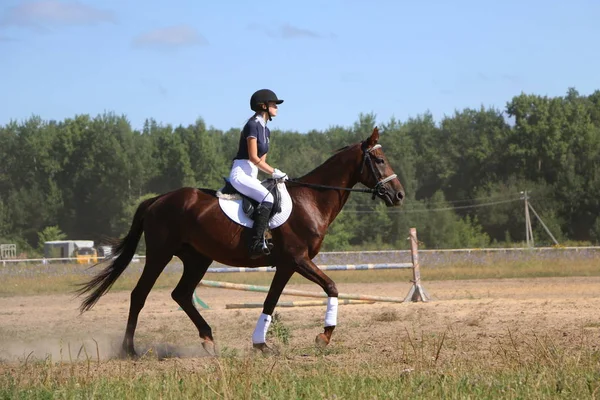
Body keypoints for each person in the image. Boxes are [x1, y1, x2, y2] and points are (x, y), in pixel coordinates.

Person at [229, 89, 288, 258]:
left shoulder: (266, 130)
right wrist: (275, 172)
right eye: (273, 104)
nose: (276, 107)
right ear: (263, 106)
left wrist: (275, 175)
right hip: (240, 173)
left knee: (274, 195)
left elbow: (262, 162)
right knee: (268, 198)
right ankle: (256, 242)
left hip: (252, 175)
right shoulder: (252, 125)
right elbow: (254, 157)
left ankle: (266, 236)